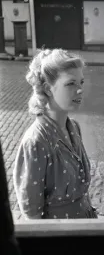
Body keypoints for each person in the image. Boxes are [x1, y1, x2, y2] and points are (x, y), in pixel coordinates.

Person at [13, 49, 97, 219]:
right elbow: (32, 212)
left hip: (85, 227)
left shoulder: (73, 127)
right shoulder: (36, 141)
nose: (80, 90)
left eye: (81, 82)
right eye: (70, 84)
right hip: (60, 237)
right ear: (48, 89)